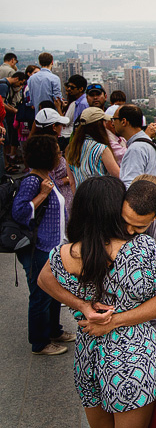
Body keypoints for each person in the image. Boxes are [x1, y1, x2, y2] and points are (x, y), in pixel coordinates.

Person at [40, 176, 156, 427]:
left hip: (88, 351)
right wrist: (114, 319)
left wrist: (82, 305)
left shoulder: (65, 253)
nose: (130, 229)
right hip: (132, 354)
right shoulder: (142, 248)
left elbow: (44, 280)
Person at [11, 135, 73, 355]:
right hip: (39, 247)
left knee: (55, 291)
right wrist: (42, 195)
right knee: (40, 294)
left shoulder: (47, 177)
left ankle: (54, 330)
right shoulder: (33, 181)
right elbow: (19, 212)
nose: (60, 156)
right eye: (57, 153)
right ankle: (40, 342)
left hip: (53, 246)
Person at [32, 108, 76, 219]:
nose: (63, 127)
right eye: (60, 124)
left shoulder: (37, 145)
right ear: (54, 127)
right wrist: (66, 179)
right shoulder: (47, 150)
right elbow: (47, 181)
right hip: (57, 204)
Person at [65, 107, 120, 187]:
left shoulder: (71, 148)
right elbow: (118, 175)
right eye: (104, 122)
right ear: (99, 125)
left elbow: (72, 182)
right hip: (101, 196)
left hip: (80, 196)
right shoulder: (102, 149)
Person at [115, 104, 156, 187]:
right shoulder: (146, 142)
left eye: (114, 119)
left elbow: (130, 185)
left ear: (123, 122)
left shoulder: (135, 149)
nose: (113, 123)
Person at [1, 71, 26, 168]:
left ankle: (7, 163)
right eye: (20, 83)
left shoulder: (4, 84)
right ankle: (6, 165)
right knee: (4, 140)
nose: (19, 85)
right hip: (2, 117)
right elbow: (2, 103)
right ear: (16, 78)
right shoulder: (4, 86)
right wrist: (14, 110)